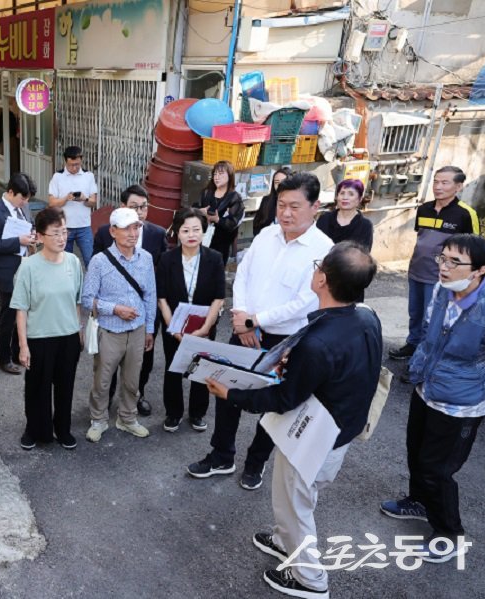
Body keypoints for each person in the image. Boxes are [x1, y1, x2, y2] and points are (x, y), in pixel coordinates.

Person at [206, 241, 382, 599]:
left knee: (296, 505)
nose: (314, 270)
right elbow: (344, 370)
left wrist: (231, 394)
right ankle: (285, 540)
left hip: (313, 438)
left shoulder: (317, 343)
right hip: (341, 430)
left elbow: (284, 398)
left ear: (322, 280)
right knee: (299, 499)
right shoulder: (365, 316)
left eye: (319, 265)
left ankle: (310, 579)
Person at [187, 172, 333, 490]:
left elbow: (305, 301)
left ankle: (256, 462)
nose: (286, 213)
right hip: (244, 328)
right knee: (225, 391)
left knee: (274, 404)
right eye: (281, 204)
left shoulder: (324, 250)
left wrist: (257, 320)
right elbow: (243, 275)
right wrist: (242, 316)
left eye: (295, 206)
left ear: (315, 207)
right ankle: (222, 454)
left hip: (285, 339)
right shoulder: (267, 234)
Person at [380, 234, 485, 564]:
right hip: (427, 388)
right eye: (442, 259)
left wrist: (483, 398)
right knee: (416, 453)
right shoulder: (442, 292)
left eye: (453, 262)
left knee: (438, 468)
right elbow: (430, 335)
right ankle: (418, 501)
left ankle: (450, 534)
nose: (443, 267)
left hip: (462, 403)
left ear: (479, 271)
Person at [81, 207, 157, 443]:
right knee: (102, 381)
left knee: (132, 381)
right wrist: (114, 309)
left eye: (136, 227)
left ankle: (127, 418)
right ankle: (98, 419)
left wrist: (150, 329)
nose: (132, 233)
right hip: (109, 330)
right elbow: (86, 299)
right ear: (113, 231)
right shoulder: (99, 261)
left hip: (137, 330)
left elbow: (150, 296)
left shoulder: (146, 258)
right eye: (126, 228)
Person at [11, 207, 84, 451]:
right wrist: (23, 346)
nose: (62, 238)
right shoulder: (28, 267)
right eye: (55, 233)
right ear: (40, 236)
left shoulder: (73, 263)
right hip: (39, 338)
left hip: (68, 337)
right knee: (37, 389)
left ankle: (63, 429)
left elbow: (76, 301)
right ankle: (34, 430)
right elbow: (20, 309)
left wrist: (79, 332)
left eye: (64, 232)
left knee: (65, 387)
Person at [389, 166, 479, 361]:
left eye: (444, 182)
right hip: (416, 271)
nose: (438, 186)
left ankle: (423, 358)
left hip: (441, 277)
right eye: (436, 182)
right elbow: (422, 239)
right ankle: (412, 345)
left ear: (458, 186)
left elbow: (476, 249)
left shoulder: (466, 214)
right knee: (415, 313)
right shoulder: (424, 209)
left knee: (432, 320)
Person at [94, 184, 167, 416]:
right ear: (123, 207)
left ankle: (137, 395)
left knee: (142, 358)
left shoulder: (157, 234)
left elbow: (160, 274)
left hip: (143, 310)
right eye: (134, 207)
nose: (141, 211)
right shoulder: (106, 233)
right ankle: (105, 402)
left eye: (144, 207)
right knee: (107, 365)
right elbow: (94, 275)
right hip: (112, 316)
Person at [156, 208, 225, 433]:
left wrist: (206, 327)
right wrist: (172, 328)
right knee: (173, 369)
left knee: (201, 368)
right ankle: (173, 413)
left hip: (204, 326)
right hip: (174, 325)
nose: (191, 234)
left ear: (203, 232)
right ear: (177, 232)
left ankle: (197, 413)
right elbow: (162, 298)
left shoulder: (214, 259)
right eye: (185, 230)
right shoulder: (167, 259)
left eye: (196, 229)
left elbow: (218, 297)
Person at [0, 173, 36, 375]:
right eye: (22, 198)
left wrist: (31, 238)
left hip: (25, 266)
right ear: (10, 192)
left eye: (27, 199)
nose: (25, 203)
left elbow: (28, 227)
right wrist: (18, 241)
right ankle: (4, 358)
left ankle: (17, 353)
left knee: (22, 314)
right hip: (6, 272)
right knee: (8, 316)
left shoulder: (24, 207)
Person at [48, 146, 99, 266]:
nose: (75, 168)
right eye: (71, 165)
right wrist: (65, 199)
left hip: (84, 226)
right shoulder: (57, 177)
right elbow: (51, 203)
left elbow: (93, 201)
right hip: (64, 227)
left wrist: (84, 198)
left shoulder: (88, 176)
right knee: (64, 263)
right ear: (65, 161)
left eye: (77, 164)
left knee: (91, 261)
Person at [192, 160, 244, 264]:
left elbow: (233, 223)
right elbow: (194, 208)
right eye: (215, 174)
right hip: (203, 238)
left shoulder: (234, 197)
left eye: (221, 174)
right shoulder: (207, 192)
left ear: (230, 176)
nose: (217, 177)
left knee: (216, 271)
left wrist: (218, 219)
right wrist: (200, 212)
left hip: (222, 242)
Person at [316, 179, 373, 250]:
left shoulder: (365, 225)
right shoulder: (324, 218)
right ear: (337, 197)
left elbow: (363, 254)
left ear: (360, 199)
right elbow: (314, 245)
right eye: (342, 193)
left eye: (351, 194)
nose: (345, 197)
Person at [252, 167, 290, 237]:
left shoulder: (293, 202)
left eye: (283, 181)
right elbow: (257, 224)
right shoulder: (266, 201)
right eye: (276, 182)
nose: (280, 185)